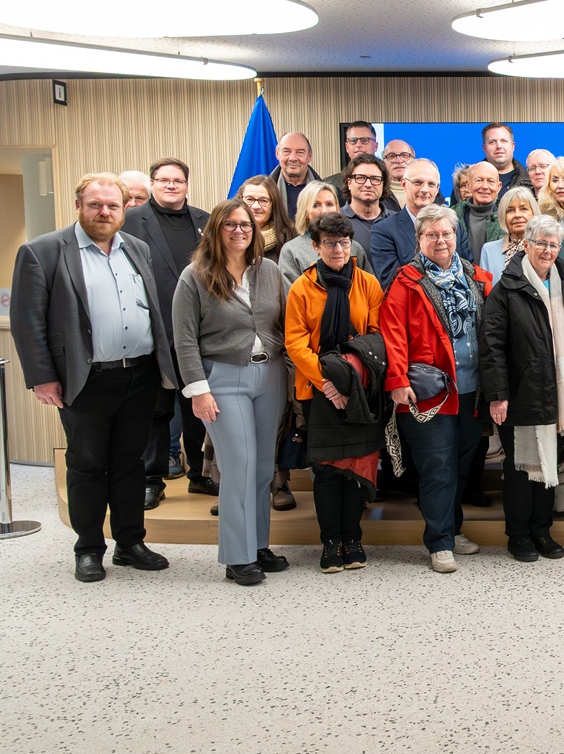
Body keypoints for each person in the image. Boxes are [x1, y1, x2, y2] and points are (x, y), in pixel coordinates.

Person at [11, 173, 177, 582]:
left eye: (112, 206)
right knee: (86, 465)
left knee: (130, 462)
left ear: (124, 210)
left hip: (139, 374)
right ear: (78, 206)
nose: (104, 212)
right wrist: (42, 377)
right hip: (85, 379)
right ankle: (88, 549)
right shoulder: (44, 251)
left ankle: (130, 543)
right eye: (95, 204)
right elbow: (27, 321)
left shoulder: (136, 248)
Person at [173, 198, 290, 586]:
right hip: (222, 380)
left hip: (270, 375)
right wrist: (198, 390)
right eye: (230, 224)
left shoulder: (268, 271)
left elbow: (288, 320)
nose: (239, 231)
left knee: (262, 467)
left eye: (245, 225)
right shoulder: (195, 275)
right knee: (238, 466)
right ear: (215, 230)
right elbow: (184, 340)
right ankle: (237, 556)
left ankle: (257, 545)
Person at [383, 204, 492, 573]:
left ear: (456, 236)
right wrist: (397, 381)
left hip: (472, 389)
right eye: (431, 235)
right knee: (437, 467)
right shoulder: (406, 282)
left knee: (461, 466)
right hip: (428, 393)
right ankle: (440, 542)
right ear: (419, 240)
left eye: (446, 233)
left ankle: (453, 528)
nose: (440, 240)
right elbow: (393, 335)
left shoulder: (478, 278)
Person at [284, 213, 386, 573]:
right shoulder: (301, 287)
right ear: (316, 246)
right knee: (326, 470)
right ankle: (330, 542)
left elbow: (376, 335)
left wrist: (348, 378)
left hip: (360, 386)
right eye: (329, 243)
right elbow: (295, 343)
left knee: (357, 465)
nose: (338, 249)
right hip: (318, 390)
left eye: (344, 242)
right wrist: (326, 382)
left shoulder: (368, 284)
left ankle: (353, 539)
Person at [481, 214, 564, 563]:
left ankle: (542, 530)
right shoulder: (507, 289)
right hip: (521, 391)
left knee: (550, 463)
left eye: (554, 245)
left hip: (560, 393)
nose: (548, 251)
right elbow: (492, 346)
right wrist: (498, 395)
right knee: (521, 468)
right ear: (526, 245)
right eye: (541, 243)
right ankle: (519, 535)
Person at [120, 157, 214, 507]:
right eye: (164, 180)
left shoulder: (205, 221)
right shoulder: (130, 221)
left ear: (187, 185)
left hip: (199, 331)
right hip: (153, 330)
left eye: (178, 180)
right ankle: (152, 479)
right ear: (152, 184)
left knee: (199, 406)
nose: (171, 185)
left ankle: (200, 475)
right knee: (156, 410)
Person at [369, 159, 472, 289]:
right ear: (404, 184)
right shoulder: (383, 231)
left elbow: (468, 271)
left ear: (437, 189)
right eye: (418, 183)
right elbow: (393, 283)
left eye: (431, 184)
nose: (424, 189)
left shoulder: (453, 225)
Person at [280, 179, 369, 285]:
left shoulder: (354, 247)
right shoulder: (291, 251)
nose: (324, 211)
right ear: (305, 212)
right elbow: (292, 293)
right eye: (316, 205)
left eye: (329, 204)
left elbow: (368, 286)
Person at [478, 186, 539, 279]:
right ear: (504, 216)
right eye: (510, 210)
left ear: (533, 213)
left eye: (523, 209)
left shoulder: (544, 247)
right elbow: (485, 287)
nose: (517, 215)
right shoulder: (489, 251)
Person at [237, 175, 296, 266]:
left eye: (263, 201)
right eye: (249, 199)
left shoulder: (292, 235)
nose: (256, 206)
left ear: (274, 204)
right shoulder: (227, 235)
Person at [340, 152, 397, 246]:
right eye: (361, 178)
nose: (368, 184)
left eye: (375, 179)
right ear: (349, 182)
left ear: (383, 184)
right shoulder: (336, 219)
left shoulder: (398, 221)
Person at [455, 161, 504, 262]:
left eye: (490, 181)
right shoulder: (452, 216)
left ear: (498, 187)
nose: (485, 186)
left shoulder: (507, 217)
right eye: (479, 180)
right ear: (468, 185)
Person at [270, 130, 324, 215]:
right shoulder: (264, 193)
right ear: (277, 154)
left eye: (300, 152)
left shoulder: (329, 194)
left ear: (309, 156)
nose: (293, 158)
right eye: (286, 151)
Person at [480, 123, 526, 194]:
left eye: (503, 141)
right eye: (492, 142)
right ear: (484, 148)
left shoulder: (529, 180)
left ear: (513, 146)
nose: (499, 146)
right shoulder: (470, 179)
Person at [382, 139, 415, 207]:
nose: (398, 161)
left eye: (404, 155)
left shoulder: (428, 190)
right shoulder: (377, 193)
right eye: (391, 156)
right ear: (383, 162)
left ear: (413, 160)